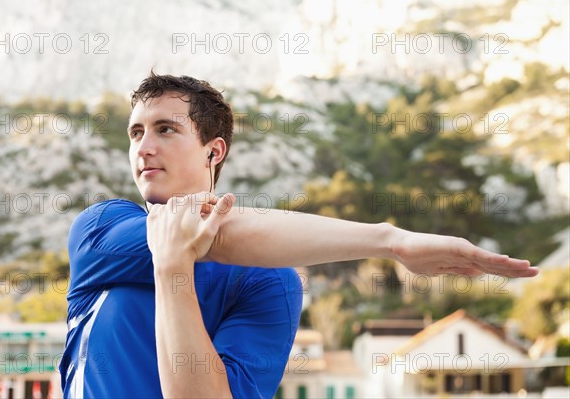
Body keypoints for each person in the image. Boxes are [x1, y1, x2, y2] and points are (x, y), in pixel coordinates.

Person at [59, 73, 538, 398]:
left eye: (165, 129)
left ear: (214, 151)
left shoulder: (270, 281)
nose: (144, 147)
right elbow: (217, 236)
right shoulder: (99, 228)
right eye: (135, 132)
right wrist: (390, 241)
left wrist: (172, 268)